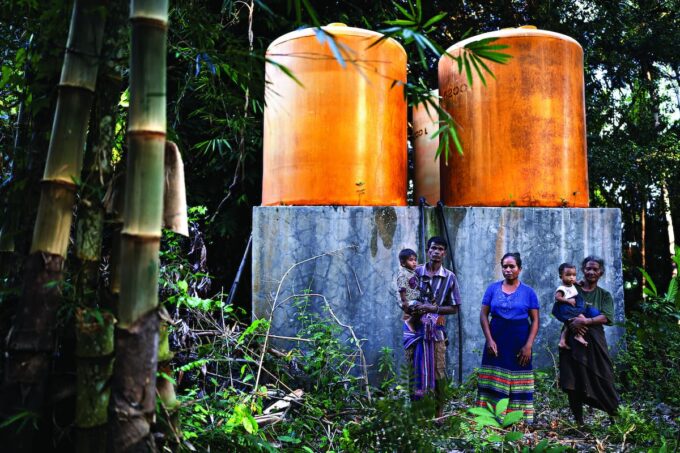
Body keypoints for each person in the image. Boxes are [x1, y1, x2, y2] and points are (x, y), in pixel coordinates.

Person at [477, 252, 539, 424]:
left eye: (512, 266)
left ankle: (518, 419)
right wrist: (489, 339)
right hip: (496, 338)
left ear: (519, 269)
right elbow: (483, 315)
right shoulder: (492, 289)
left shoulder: (529, 292)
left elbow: (535, 320)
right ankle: (490, 416)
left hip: (519, 340)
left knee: (519, 376)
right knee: (493, 376)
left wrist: (528, 345)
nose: (508, 269)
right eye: (505, 266)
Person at [402, 236, 461, 418]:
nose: (436, 252)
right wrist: (412, 307)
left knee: (439, 373)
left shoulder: (450, 277)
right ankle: (417, 414)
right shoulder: (415, 272)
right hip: (415, 332)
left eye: (440, 249)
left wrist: (433, 308)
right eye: (433, 248)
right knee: (414, 371)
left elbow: (455, 307)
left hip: (436, 333)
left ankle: (439, 414)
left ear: (444, 253)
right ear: (427, 251)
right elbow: (403, 298)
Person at [559, 256, 619, 424]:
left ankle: (614, 417)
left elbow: (607, 317)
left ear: (601, 273)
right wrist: (573, 323)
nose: (591, 272)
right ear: (583, 270)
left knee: (604, 377)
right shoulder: (572, 289)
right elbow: (560, 308)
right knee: (573, 381)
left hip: (595, 342)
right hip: (572, 340)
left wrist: (586, 321)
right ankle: (579, 422)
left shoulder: (604, 295)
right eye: (588, 268)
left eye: (595, 269)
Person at [552, 262, 601, 349]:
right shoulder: (562, 288)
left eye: (574, 275)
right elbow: (557, 297)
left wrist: (579, 283)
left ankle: (562, 341)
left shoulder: (571, 283)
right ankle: (578, 336)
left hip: (571, 306)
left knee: (567, 325)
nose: (571, 277)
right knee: (581, 318)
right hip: (566, 307)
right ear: (561, 277)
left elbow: (575, 282)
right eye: (568, 275)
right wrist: (567, 300)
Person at [396, 248, 423, 331]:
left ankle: (410, 317)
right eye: (411, 260)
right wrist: (404, 302)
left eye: (415, 260)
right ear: (403, 263)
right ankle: (409, 321)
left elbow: (418, 266)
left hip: (412, 300)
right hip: (407, 301)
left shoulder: (412, 271)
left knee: (421, 306)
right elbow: (402, 289)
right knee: (420, 306)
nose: (414, 262)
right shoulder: (403, 274)